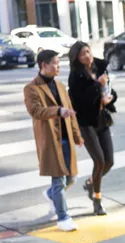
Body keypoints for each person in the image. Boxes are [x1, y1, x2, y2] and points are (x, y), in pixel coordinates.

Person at [23, 49, 84, 232]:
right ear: (44, 65)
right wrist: (56, 111)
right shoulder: (31, 88)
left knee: (71, 177)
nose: (58, 67)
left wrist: (77, 135)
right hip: (51, 141)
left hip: (66, 138)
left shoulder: (60, 86)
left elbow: (70, 112)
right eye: (55, 63)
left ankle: (51, 195)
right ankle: (63, 218)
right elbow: (35, 112)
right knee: (58, 181)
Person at [68, 41, 117, 216]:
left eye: (88, 52)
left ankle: (91, 182)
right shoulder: (75, 76)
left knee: (109, 161)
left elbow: (110, 89)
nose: (87, 56)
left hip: (102, 120)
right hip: (86, 122)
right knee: (99, 161)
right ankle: (97, 200)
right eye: (82, 54)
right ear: (77, 58)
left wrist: (110, 98)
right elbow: (80, 102)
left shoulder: (100, 68)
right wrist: (97, 85)